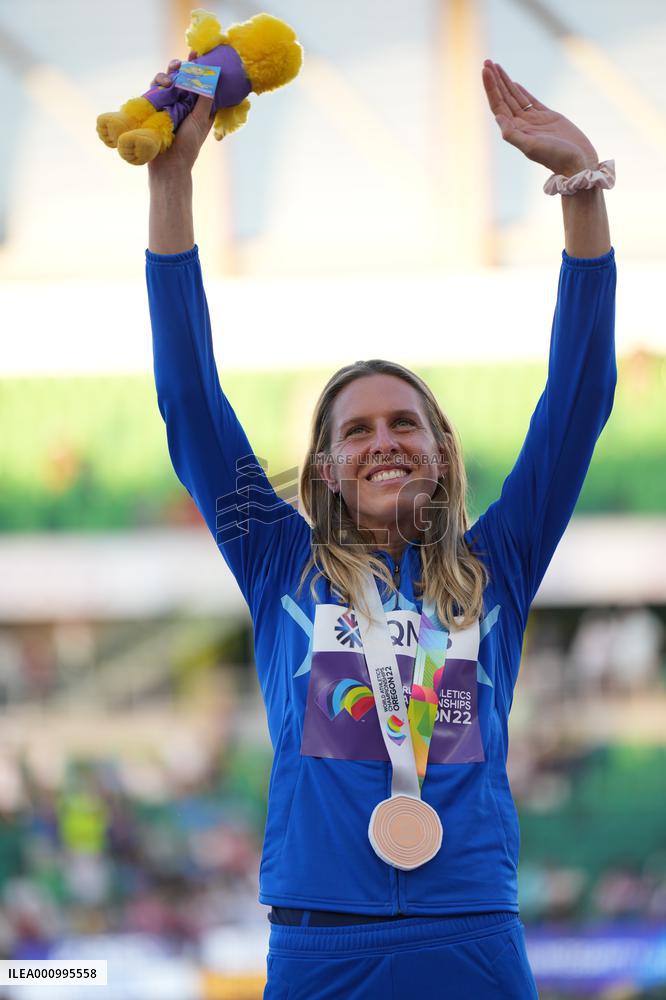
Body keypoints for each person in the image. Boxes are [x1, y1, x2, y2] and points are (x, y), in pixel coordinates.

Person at [145, 57, 615, 999]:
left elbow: (578, 401)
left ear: (442, 453)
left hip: (473, 933)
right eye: (355, 430)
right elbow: (191, 400)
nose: (383, 442)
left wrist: (582, 200)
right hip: (324, 947)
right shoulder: (274, 554)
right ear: (323, 468)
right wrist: (172, 184)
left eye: (406, 423)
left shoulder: (497, 565)